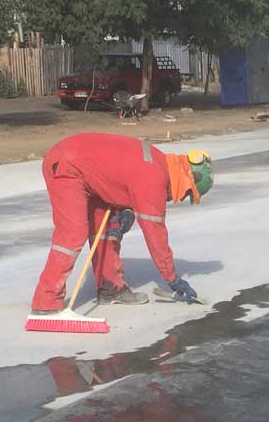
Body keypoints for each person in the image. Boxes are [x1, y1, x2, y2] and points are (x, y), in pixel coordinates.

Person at [30, 133, 213, 315]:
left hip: (89, 171)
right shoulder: (155, 176)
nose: (179, 198)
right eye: (188, 194)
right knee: (73, 232)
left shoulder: (160, 163)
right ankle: (46, 301)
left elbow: (121, 176)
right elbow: (155, 235)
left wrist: (126, 211)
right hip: (67, 165)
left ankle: (111, 289)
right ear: (189, 179)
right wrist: (172, 278)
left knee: (109, 229)